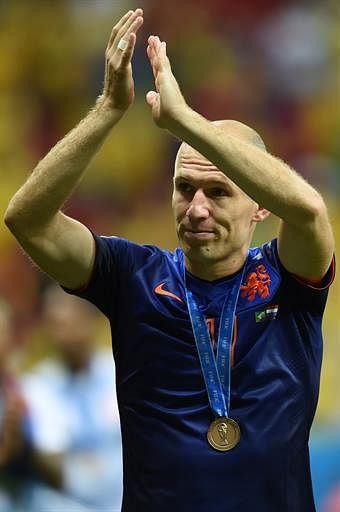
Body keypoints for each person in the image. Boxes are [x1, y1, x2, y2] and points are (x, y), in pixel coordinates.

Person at [4, 7, 335, 512]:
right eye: (184, 188)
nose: (197, 208)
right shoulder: (132, 275)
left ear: (260, 205)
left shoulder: (287, 278)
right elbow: (26, 219)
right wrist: (108, 110)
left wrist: (186, 123)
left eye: (219, 191)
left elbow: (310, 210)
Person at [21, 284, 122, 511]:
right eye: (54, 321)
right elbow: (51, 458)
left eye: (70, 315)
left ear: (89, 317)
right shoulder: (37, 387)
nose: (63, 328)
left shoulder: (120, 371)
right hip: (68, 503)